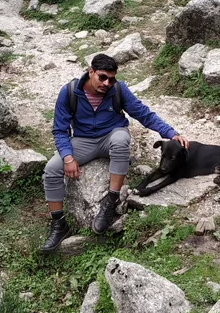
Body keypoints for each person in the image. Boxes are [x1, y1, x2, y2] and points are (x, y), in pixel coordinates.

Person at [40, 53, 189, 251]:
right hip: (83, 141)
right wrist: (68, 157)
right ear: (90, 72)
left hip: (111, 135)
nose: (106, 83)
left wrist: (171, 133)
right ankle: (59, 224)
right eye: (102, 77)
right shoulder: (69, 92)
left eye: (111, 79)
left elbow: (143, 114)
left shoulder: (118, 89)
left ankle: (111, 201)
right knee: (52, 169)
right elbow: (60, 130)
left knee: (121, 139)